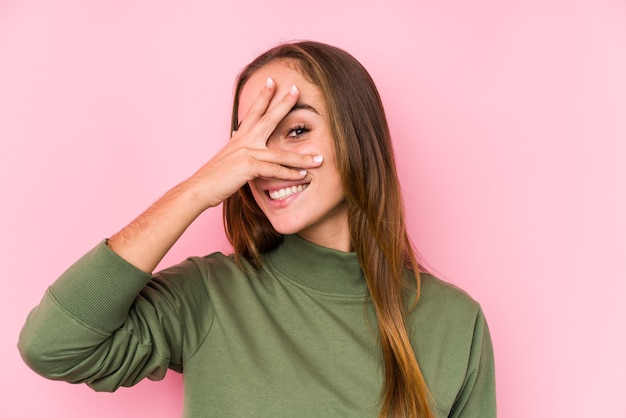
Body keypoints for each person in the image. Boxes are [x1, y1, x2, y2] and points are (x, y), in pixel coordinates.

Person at [18, 41, 496, 418]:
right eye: (250, 141)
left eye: (296, 130)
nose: (265, 163)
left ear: (357, 136)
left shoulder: (454, 322)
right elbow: (52, 345)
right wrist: (197, 189)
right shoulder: (208, 295)